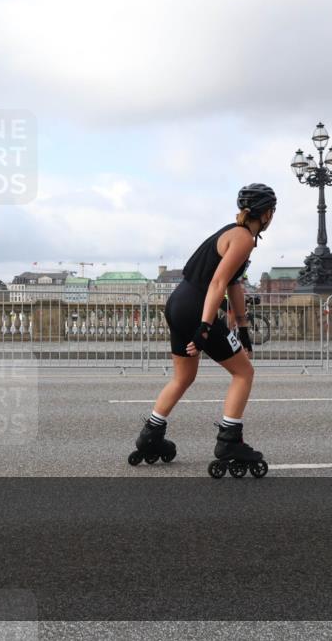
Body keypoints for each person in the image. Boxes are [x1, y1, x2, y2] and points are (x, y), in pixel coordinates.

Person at [129, 184, 277, 471]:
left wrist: (242, 327)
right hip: (197, 306)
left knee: (183, 377)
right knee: (244, 372)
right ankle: (229, 440)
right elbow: (218, 283)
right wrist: (205, 326)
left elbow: (234, 284)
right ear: (267, 214)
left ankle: (150, 436)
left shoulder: (230, 232)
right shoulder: (244, 238)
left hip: (177, 302)